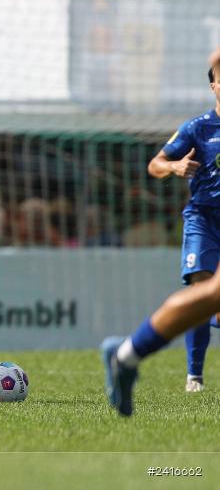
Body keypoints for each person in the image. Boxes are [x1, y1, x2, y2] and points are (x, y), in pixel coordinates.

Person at [102, 47, 220, 415]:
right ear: (214, 86)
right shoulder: (198, 127)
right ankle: (188, 373)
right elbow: (156, 163)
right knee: (204, 291)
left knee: (211, 298)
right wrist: (174, 168)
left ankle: (125, 355)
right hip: (204, 218)